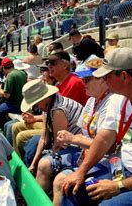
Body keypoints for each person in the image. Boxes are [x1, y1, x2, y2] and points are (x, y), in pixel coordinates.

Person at [61, 47, 132, 205]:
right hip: (122, 169)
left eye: (107, 76)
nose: (104, 80)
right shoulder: (119, 100)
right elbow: (104, 139)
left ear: (124, 76)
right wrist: (81, 172)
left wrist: (118, 186)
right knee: (69, 189)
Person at [50, 56, 120, 205]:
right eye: (82, 79)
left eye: (87, 80)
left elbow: (108, 146)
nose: (83, 83)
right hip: (86, 156)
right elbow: (83, 131)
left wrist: (73, 139)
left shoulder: (113, 102)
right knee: (50, 168)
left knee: (63, 183)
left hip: (109, 161)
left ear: (102, 79)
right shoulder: (91, 101)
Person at [21, 79, 83, 192]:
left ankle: (39, 195)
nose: (36, 107)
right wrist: (33, 164)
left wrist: (42, 160)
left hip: (77, 147)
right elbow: (44, 137)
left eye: (36, 103)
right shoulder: (48, 106)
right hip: (67, 143)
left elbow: (59, 144)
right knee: (33, 151)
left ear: (45, 98)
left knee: (44, 163)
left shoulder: (58, 110)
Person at [0, 57, 27, 128]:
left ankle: (4, 128)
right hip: (23, 103)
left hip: (15, 105)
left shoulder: (10, 76)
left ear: (3, 68)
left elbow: (6, 95)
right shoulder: (22, 73)